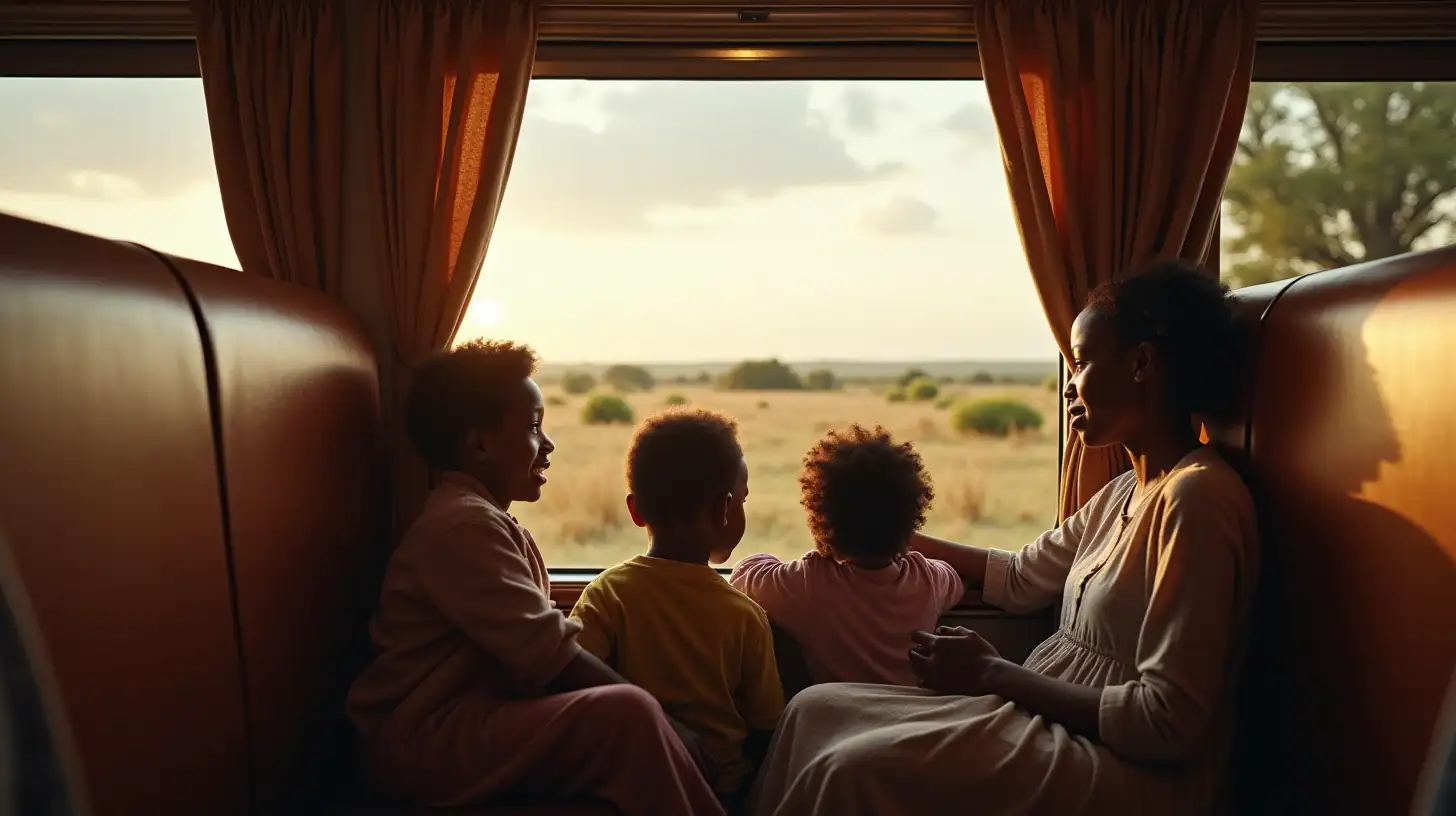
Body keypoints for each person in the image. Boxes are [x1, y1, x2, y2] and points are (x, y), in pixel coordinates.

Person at [746, 260, 1259, 815]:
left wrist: (993, 673)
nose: (1069, 385)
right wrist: (881, 534)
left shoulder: (1198, 500)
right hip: (1042, 720)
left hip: (1124, 769)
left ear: (1141, 364)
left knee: (848, 768)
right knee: (814, 708)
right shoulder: (1121, 494)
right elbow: (1017, 580)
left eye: (1082, 363)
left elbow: (1168, 724)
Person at [346, 340, 724, 816]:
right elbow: (550, 655)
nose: (547, 444)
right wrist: (670, 726)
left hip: (460, 725)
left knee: (629, 712)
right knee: (627, 714)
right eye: (533, 427)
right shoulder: (462, 528)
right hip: (422, 743)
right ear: (480, 444)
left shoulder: (480, 521)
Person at [569, 409, 784, 811]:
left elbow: (578, 686)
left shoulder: (608, 593)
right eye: (743, 499)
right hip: (720, 792)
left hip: (631, 788)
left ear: (635, 510)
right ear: (725, 509)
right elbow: (765, 727)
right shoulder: (744, 614)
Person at [730, 425, 963, 687]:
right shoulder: (928, 579)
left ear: (822, 521)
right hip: (911, 716)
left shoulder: (808, 583)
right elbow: (954, 579)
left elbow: (743, 577)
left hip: (840, 715)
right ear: (911, 520)